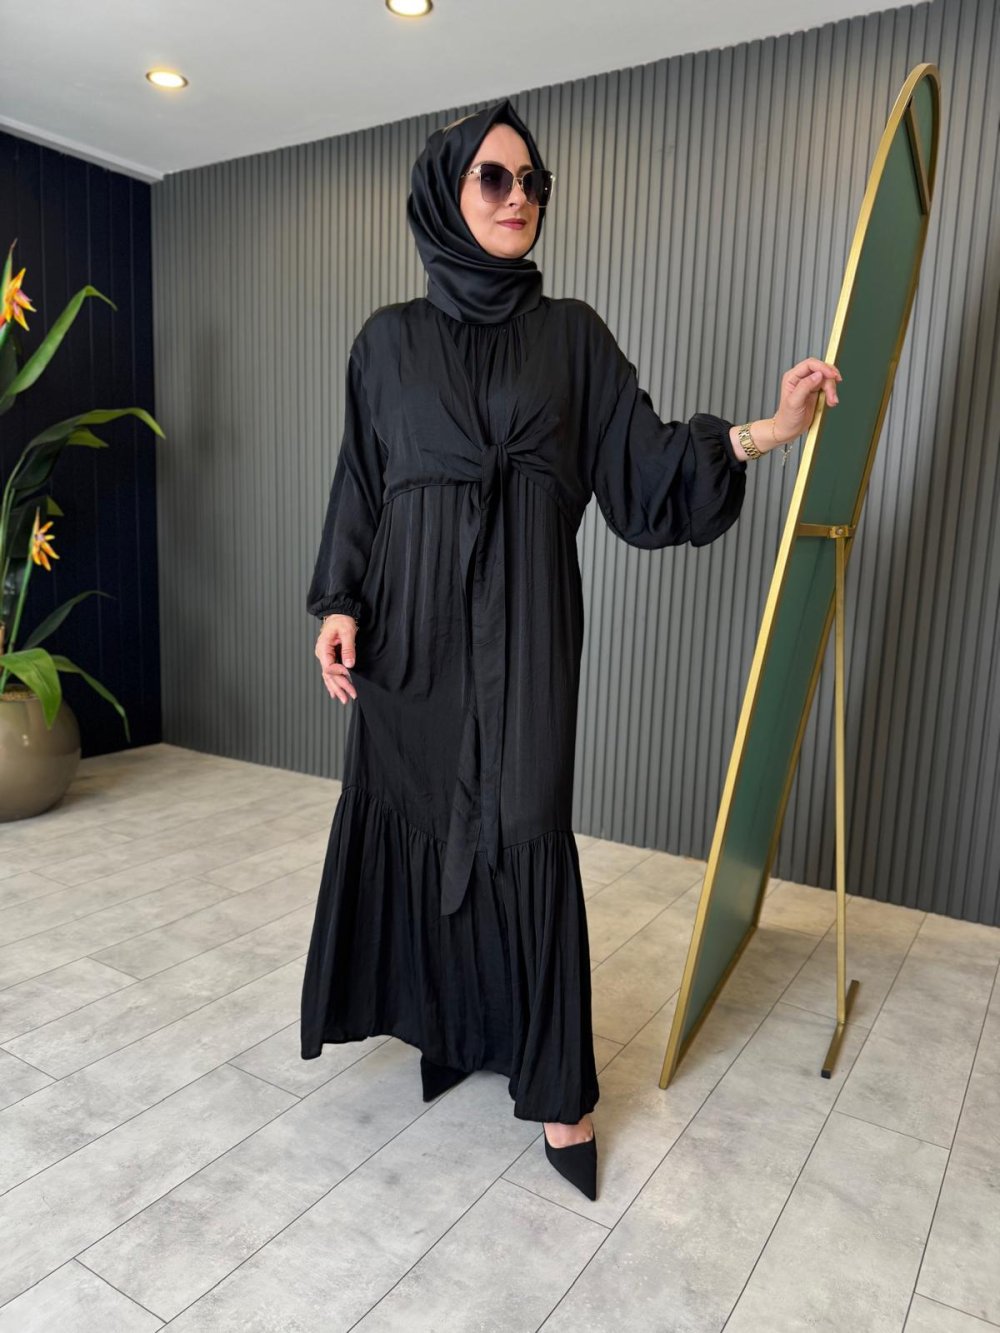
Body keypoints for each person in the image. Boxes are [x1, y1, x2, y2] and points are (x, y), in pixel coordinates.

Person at [300, 97, 841, 1203]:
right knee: (424, 818)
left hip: (528, 629)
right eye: (494, 178)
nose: (520, 198)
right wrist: (338, 602)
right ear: (445, 195)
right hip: (409, 638)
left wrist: (765, 433)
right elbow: (361, 483)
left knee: (523, 823)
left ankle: (556, 1085)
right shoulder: (386, 342)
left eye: (533, 182)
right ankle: (451, 1025)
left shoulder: (572, 337)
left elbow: (647, 471)